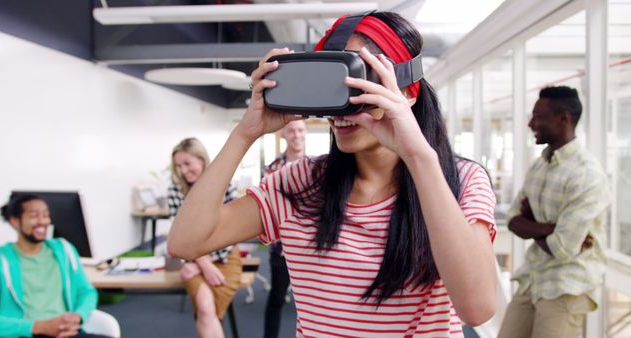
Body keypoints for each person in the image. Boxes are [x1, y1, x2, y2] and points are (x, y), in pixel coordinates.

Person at [168, 11, 497, 337]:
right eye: (333, 89)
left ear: (407, 92)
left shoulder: (462, 180)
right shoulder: (300, 181)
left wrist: (419, 158)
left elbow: (477, 309)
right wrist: (245, 134)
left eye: (360, 84)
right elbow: (186, 243)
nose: (342, 107)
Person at [497, 86, 609, 338]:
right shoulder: (540, 165)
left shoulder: (587, 175)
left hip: (567, 285)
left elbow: (562, 248)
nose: (530, 123)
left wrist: (533, 224)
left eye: (538, 116)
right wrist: (549, 227)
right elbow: (513, 220)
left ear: (564, 118)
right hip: (533, 278)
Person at [0, 194, 109, 338]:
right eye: (34, 216)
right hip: (26, 334)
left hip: (67, 333)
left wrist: (78, 316)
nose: (42, 221)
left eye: (46, 215)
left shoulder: (64, 250)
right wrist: (38, 327)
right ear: (15, 221)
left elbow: (86, 292)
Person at [167, 137, 242, 338]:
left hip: (225, 257)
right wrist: (203, 264)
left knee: (206, 311)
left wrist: (203, 263)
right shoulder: (175, 190)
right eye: (179, 166)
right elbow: (179, 236)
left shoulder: (224, 184)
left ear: (201, 160)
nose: (183, 171)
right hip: (193, 259)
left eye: (187, 164)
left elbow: (231, 232)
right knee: (205, 307)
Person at [262, 120, 306, 338]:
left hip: (309, 246)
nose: (296, 135)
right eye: (291, 130)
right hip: (282, 247)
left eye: (300, 130)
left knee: (311, 304)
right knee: (277, 298)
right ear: (284, 135)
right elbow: (266, 207)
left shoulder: (317, 166)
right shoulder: (272, 168)